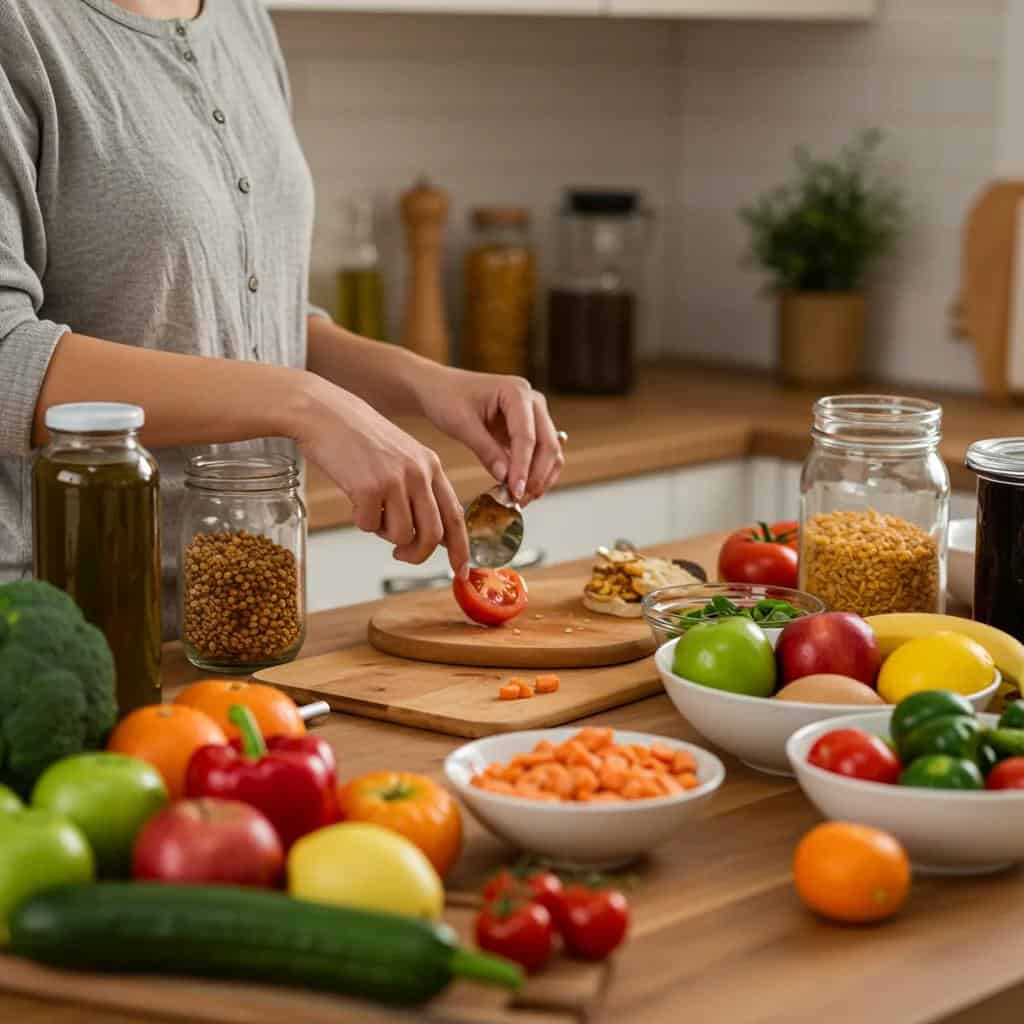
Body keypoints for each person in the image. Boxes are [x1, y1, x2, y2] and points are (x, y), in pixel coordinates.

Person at [0, 0, 564, 631]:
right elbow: (7, 357)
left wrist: (427, 383)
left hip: (247, 604)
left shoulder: (241, 17)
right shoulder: (21, 27)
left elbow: (248, 313)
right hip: (64, 626)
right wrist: (307, 405)